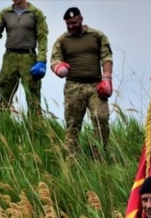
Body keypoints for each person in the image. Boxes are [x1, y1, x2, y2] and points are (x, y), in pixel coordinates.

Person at [50, 7, 113, 160]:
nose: (71, 26)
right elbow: (54, 60)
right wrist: (59, 68)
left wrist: (107, 78)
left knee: (101, 119)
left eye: (74, 23)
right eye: (68, 24)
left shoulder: (96, 36)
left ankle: (99, 156)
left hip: (96, 87)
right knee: (73, 125)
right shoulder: (62, 40)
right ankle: (72, 160)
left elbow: (106, 57)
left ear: (81, 19)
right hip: (74, 87)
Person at [0, 0, 49, 117]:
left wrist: (41, 60)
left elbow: (42, 38)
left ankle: (35, 128)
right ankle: (2, 125)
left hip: (28, 57)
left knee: (32, 95)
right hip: (10, 57)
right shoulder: (5, 13)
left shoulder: (36, 13)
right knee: (4, 92)